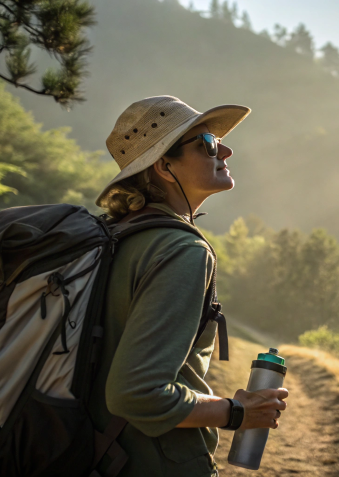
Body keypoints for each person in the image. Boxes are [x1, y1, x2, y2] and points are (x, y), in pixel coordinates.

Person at [89, 96, 288, 476]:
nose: (226, 149)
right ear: (165, 166)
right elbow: (137, 394)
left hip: (96, 455)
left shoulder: (115, 235)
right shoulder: (181, 250)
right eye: (208, 143)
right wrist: (236, 412)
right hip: (154, 462)